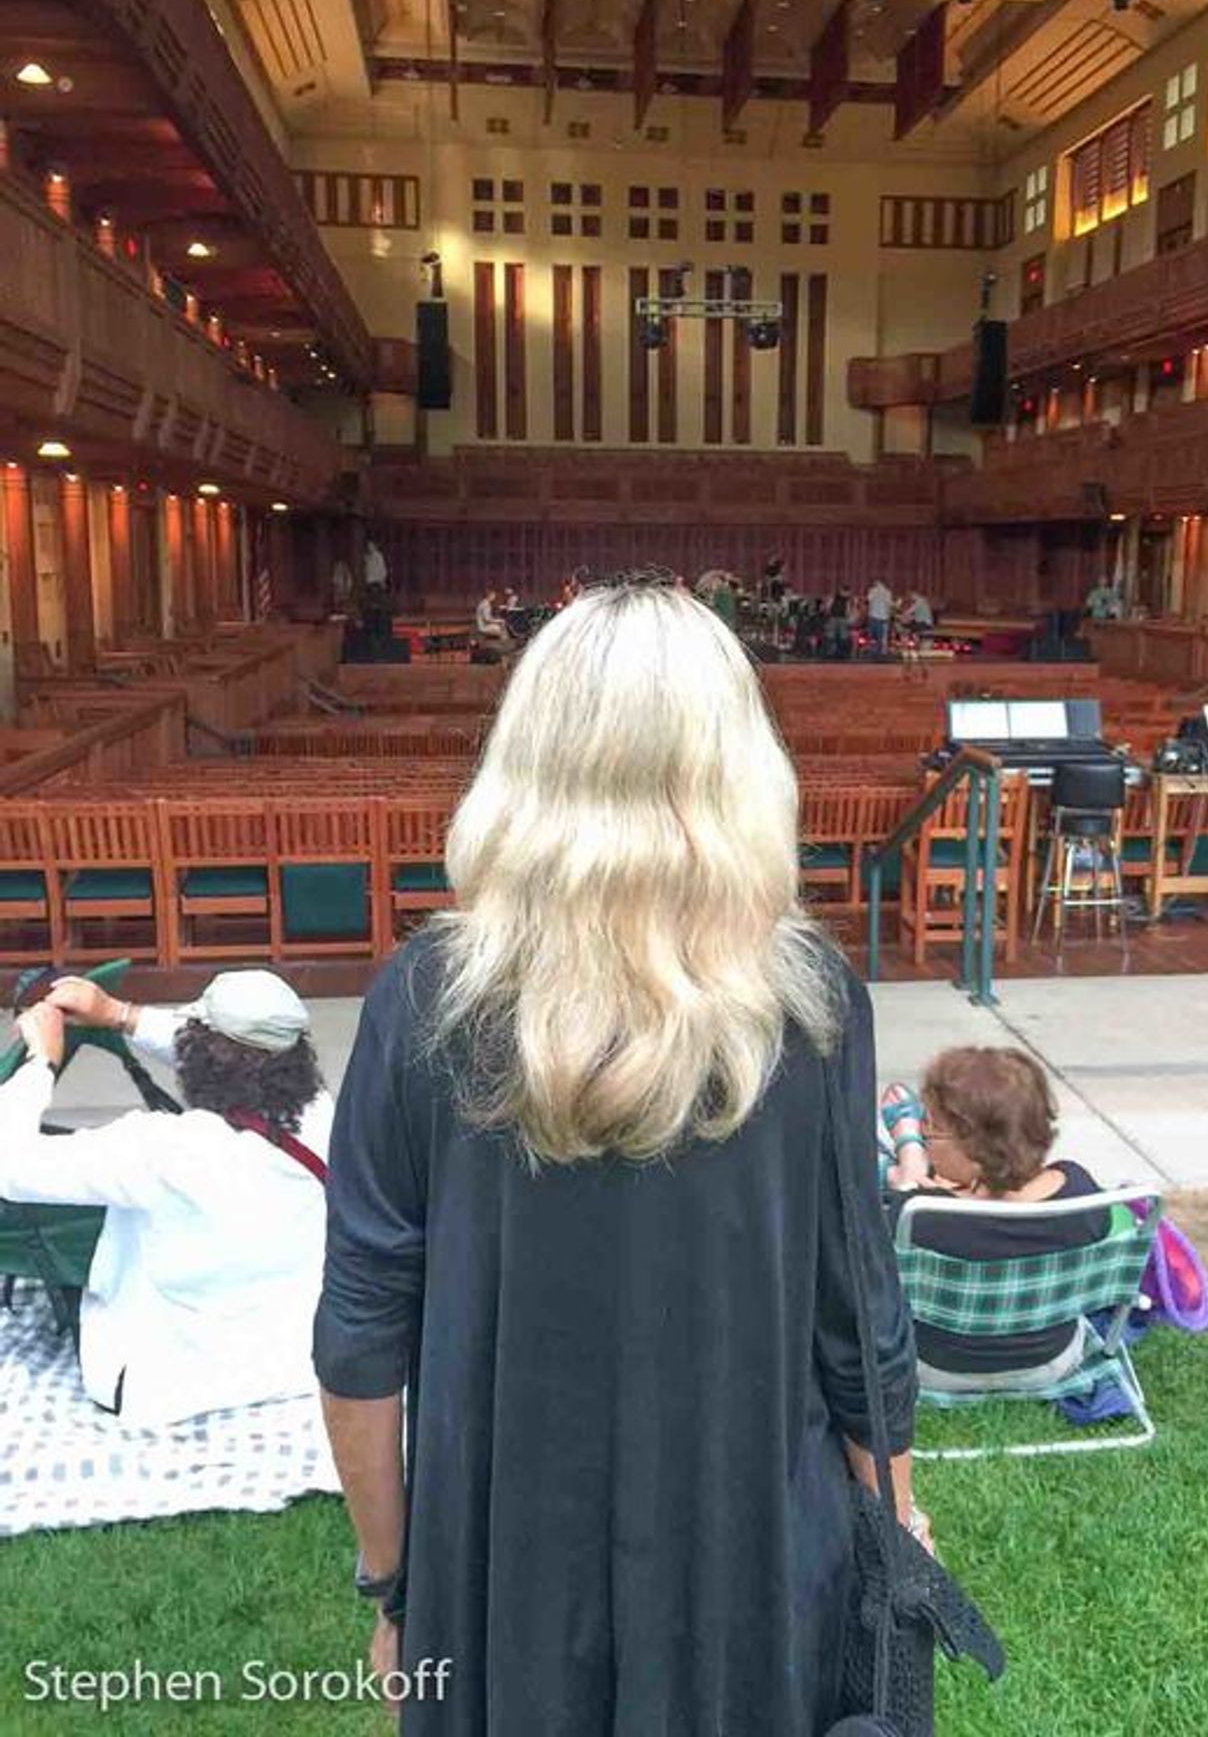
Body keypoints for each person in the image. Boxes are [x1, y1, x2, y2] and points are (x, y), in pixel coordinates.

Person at [314, 582, 925, 1734]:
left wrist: (395, 1582)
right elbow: (862, 1319)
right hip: (749, 1564)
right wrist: (892, 1511)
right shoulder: (808, 1004)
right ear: (739, 766)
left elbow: (358, 1342)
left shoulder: (422, 1000)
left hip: (497, 1576)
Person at [0, 971, 330, 1427]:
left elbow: (11, 1166)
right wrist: (116, 1014)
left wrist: (41, 1062)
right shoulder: (321, 1113)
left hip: (172, 1382)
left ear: (200, 1056)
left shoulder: (160, 1150)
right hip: (287, 1365)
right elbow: (229, 1051)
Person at [886, 1047, 1107, 1392]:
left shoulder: (920, 1214)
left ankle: (906, 1155)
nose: (928, 1138)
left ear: (973, 1148)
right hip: (1051, 1362)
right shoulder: (1081, 1193)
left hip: (935, 1368)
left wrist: (912, 1182)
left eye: (931, 1129)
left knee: (892, 1173)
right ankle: (908, 1157)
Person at [866, 576, 893, 656]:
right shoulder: (888, 592)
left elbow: (868, 600)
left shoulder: (872, 590)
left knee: (873, 636)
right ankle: (882, 652)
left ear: (877, 582)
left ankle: (873, 652)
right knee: (883, 636)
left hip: (874, 616)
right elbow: (889, 605)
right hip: (884, 617)